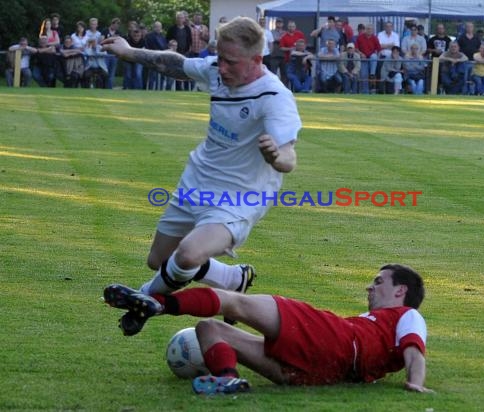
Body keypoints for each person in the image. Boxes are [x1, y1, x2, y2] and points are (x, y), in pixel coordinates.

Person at [101, 17, 301, 330]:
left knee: (189, 254)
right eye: (219, 58)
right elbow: (177, 64)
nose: (221, 68)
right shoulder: (218, 72)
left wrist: (276, 156)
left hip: (239, 197)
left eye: (230, 62)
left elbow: (289, 156)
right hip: (197, 181)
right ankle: (233, 279)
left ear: (257, 60)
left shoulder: (274, 98)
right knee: (159, 260)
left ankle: (145, 298)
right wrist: (130, 52)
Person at [103, 264, 431, 395]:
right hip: (320, 372)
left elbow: (414, 352)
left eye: (378, 282)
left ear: (400, 291)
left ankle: (157, 303)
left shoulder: (407, 316)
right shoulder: (374, 323)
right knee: (209, 329)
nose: (370, 288)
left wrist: (416, 384)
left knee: (236, 302)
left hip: (333, 337)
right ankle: (228, 378)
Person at [355, 23, 381, 94]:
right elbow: (356, 48)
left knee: (374, 56)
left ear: (373, 30)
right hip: (363, 58)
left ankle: (372, 74)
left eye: (370, 29)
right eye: (368, 29)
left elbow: (379, 49)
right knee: (364, 75)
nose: (369, 30)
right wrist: (361, 54)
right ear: (365, 30)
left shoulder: (375, 38)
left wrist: (377, 55)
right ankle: (365, 92)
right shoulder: (360, 37)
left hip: (371, 58)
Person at [144, 21, 168, 90]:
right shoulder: (149, 36)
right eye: (156, 26)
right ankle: (151, 90)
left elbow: (165, 47)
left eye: (159, 27)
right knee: (152, 75)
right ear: (154, 27)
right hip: (152, 57)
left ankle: (160, 89)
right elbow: (147, 47)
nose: (158, 28)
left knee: (162, 76)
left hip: (162, 58)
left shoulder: (163, 36)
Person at [101, 18, 123, 89]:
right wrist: (111, 39)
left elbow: (120, 43)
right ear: (112, 24)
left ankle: (109, 88)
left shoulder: (118, 33)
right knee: (105, 72)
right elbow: (102, 41)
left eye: (118, 25)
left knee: (111, 74)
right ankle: (102, 87)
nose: (117, 27)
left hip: (114, 55)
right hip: (106, 54)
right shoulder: (105, 31)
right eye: (116, 24)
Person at [270, 17, 287, 83]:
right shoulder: (271, 32)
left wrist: (279, 40)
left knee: (284, 74)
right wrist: (281, 39)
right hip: (274, 55)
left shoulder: (285, 32)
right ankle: (273, 88)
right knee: (273, 73)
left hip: (284, 56)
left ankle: (284, 89)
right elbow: (273, 39)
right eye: (278, 22)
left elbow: (285, 41)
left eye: (280, 23)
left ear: (282, 24)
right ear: (275, 24)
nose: (279, 24)